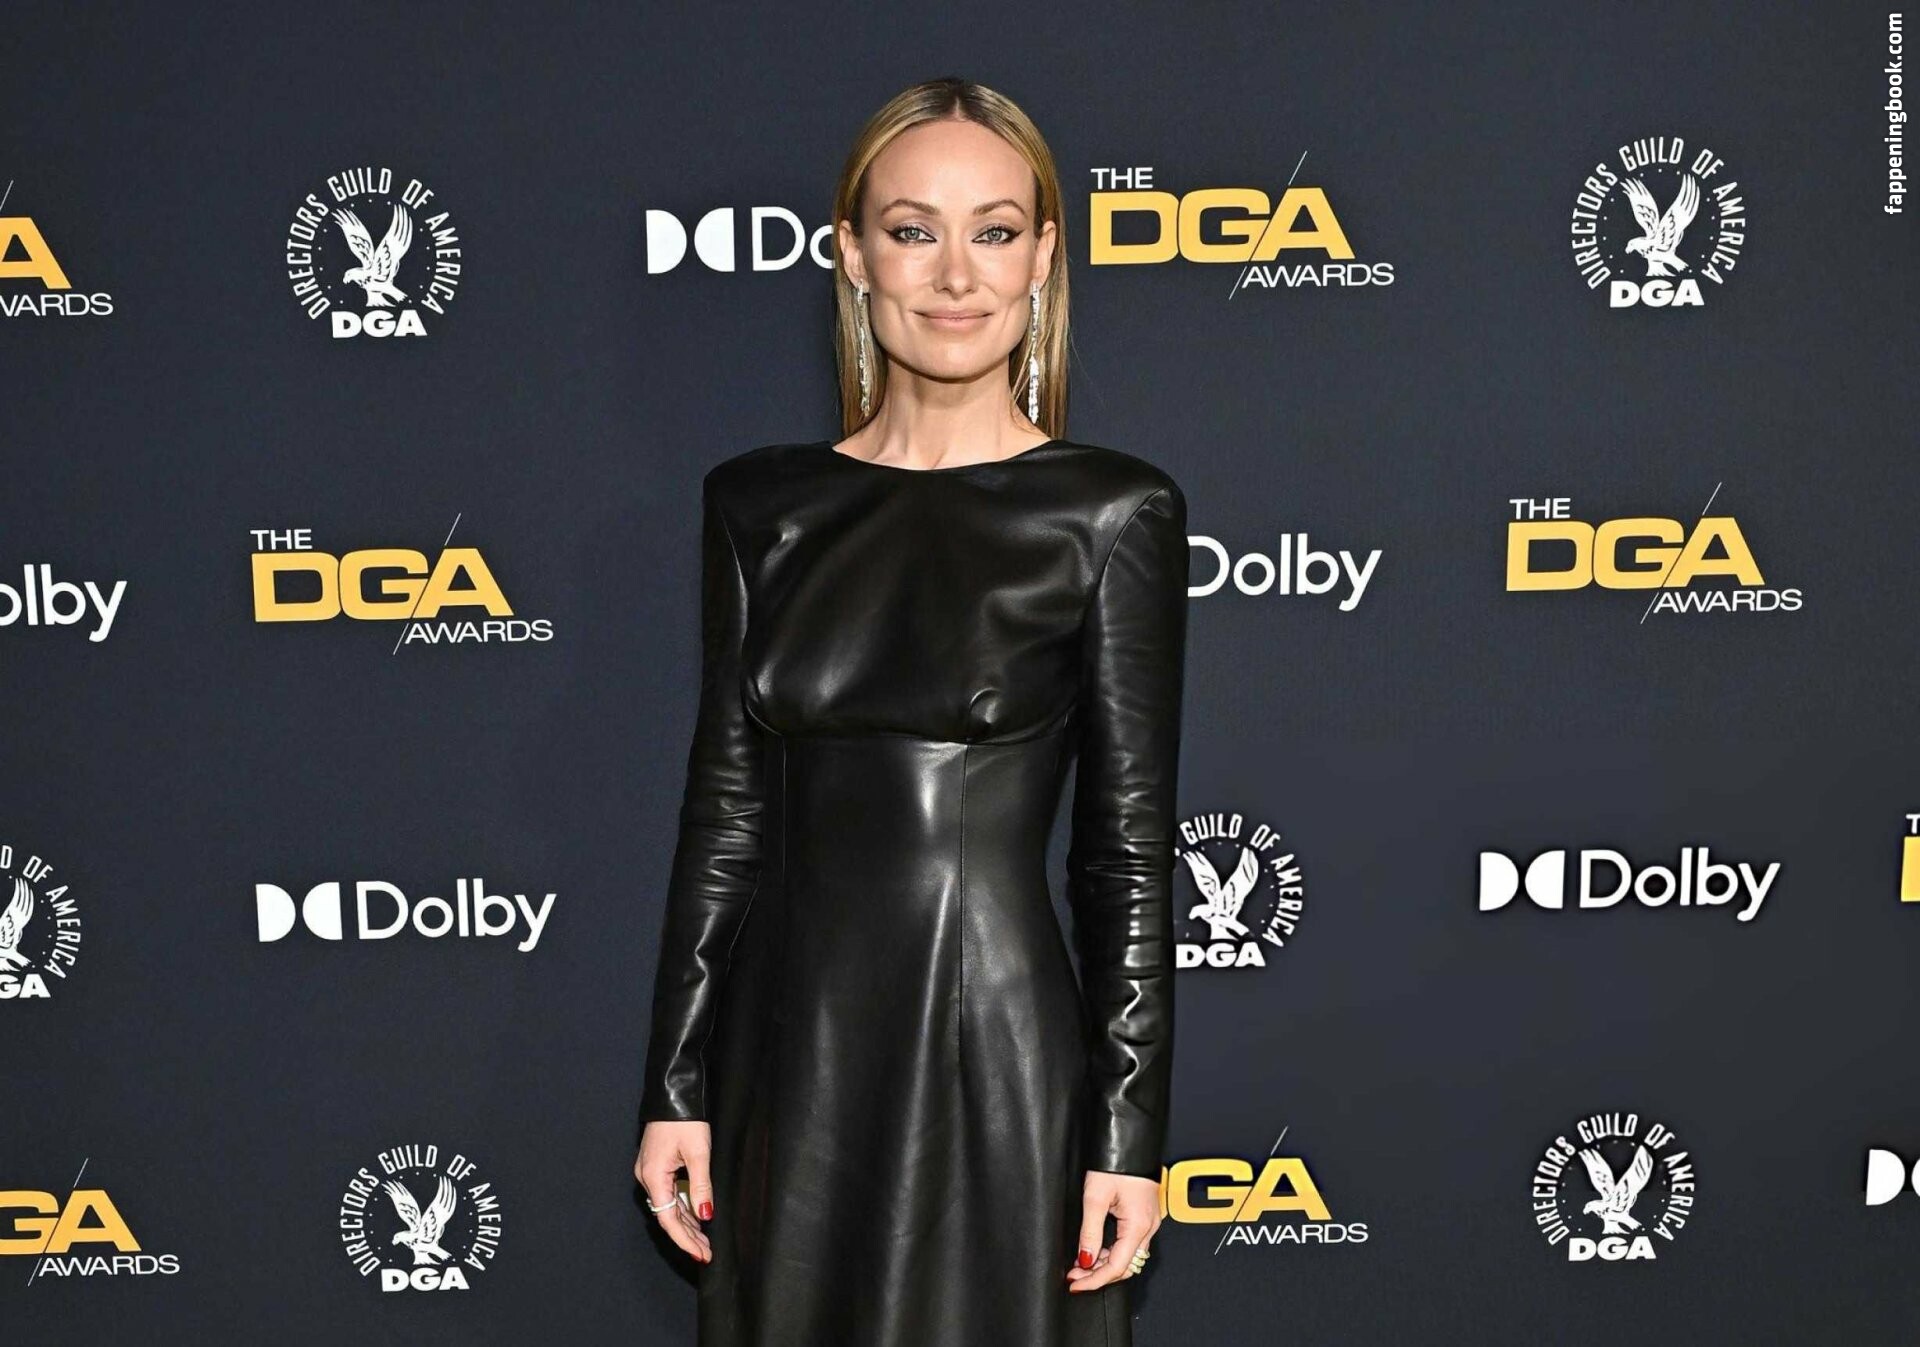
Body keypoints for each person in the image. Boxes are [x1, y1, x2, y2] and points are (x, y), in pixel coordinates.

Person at [633, 75, 1189, 1347]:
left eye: (994, 231)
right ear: (852, 253)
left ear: (1043, 258)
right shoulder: (759, 507)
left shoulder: (1111, 514)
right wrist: (677, 1083)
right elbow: (725, 817)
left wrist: (1125, 1133)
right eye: (911, 230)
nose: (954, 275)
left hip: (993, 1047)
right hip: (789, 1052)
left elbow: (1125, 852)